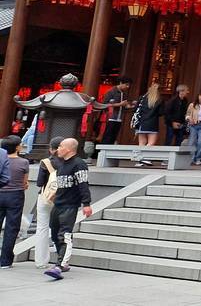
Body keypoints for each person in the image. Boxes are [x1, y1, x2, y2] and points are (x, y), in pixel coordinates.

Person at [44, 138, 92, 281]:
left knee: (64, 235)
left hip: (70, 205)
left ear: (69, 149)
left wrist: (86, 203)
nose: (58, 149)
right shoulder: (61, 164)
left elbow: (83, 184)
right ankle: (62, 260)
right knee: (54, 233)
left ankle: (60, 265)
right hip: (58, 203)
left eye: (61, 146)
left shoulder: (79, 164)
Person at [33, 137, 64, 269]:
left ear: (51, 149)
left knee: (42, 228)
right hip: (62, 198)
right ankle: (62, 259)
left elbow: (40, 182)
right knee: (62, 228)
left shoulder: (45, 162)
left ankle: (41, 261)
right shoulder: (69, 163)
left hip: (46, 197)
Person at [0, 135, 29, 269]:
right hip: (15, 195)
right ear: (17, 147)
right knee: (12, 228)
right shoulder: (23, 162)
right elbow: (25, 183)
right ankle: (5, 261)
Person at [132, 82, 164, 157]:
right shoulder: (159, 100)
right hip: (152, 123)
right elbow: (161, 112)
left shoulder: (142, 98)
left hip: (141, 123)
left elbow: (135, 109)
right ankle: (145, 158)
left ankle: (140, 158)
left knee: (141, 143)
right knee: (151, 143)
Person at [99, 78, 133, 145]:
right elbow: (104, 104)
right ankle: (103, 150)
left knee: (113, 137)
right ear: (121, 83)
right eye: (126, 84)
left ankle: (109, 150)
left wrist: (130, 106)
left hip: (119, 118)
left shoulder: (124, 93)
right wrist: (120, 104)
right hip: (110, 118)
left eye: (129, 85)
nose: (128, 86)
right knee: (107, 137)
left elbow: (124, 105)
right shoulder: (111, 91)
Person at [186, 93, 201, 166]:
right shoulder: (192, 105)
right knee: (192, 142)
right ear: (198, 97)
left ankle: (198, 158)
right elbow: (187, 115)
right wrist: (189, 119)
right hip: (194, 125)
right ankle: (190, 158)